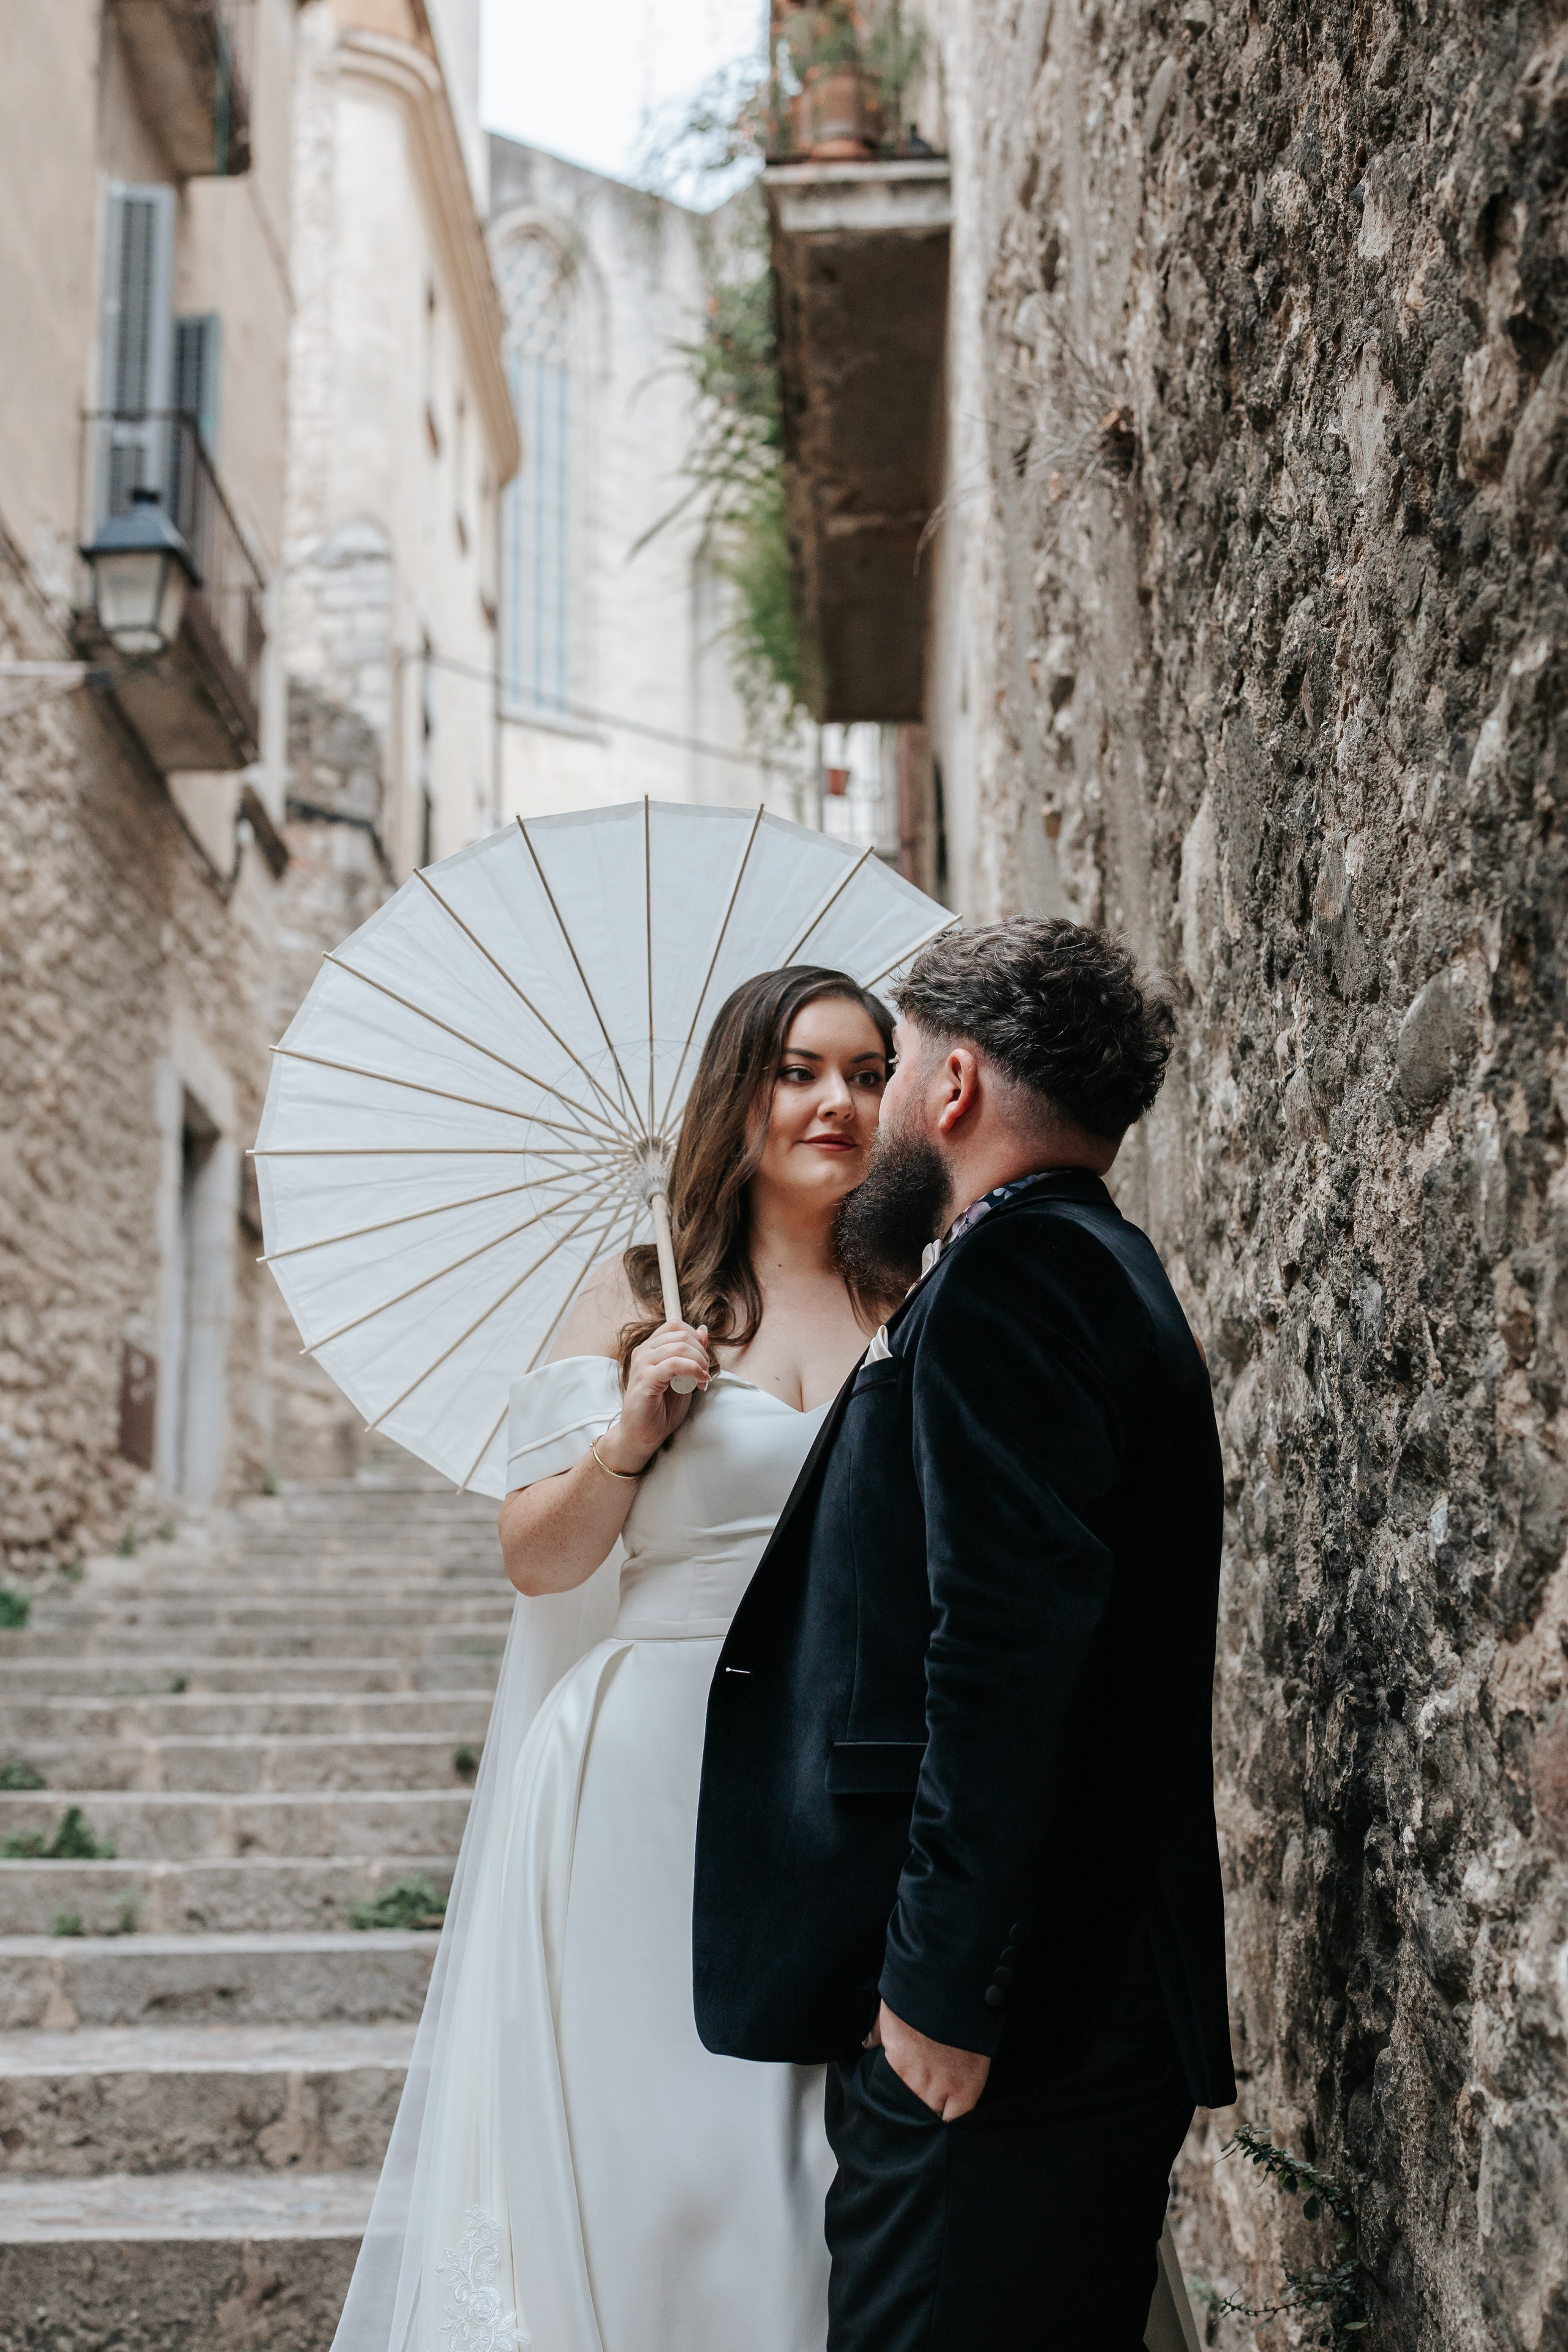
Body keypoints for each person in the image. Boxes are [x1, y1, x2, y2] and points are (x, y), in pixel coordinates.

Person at [327, 965, 905, 2352]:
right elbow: (538, 1555)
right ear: (738, 1094)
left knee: (800, 2157)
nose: (839, 1101)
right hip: (651, 1768)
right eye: (801, 1070)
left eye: (871, 1074)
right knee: (662, 2146)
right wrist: (631, 1429)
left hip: (835, 1774)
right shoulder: (638, 1290)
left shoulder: (913, 1296)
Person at [693, 917, 1236, 2352]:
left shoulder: (1015, 1280)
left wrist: (939, 1988)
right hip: (1057, 2003)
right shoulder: (1081, 1264)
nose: (866, 1115)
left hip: (1009, 2024)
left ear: (950, 1088)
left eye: (897, 1066)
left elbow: (1003, 1661)